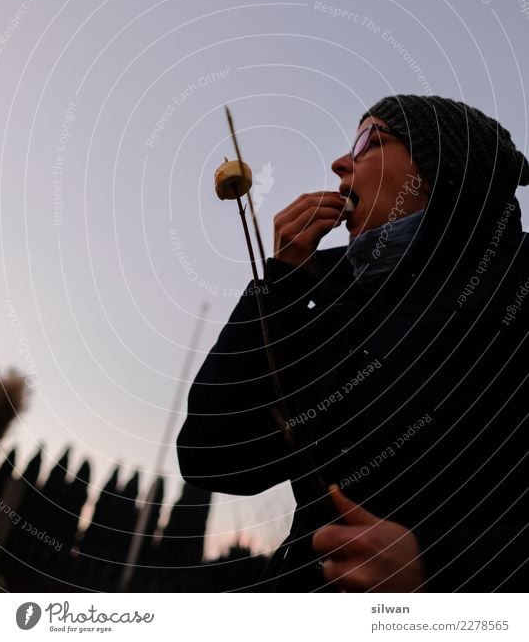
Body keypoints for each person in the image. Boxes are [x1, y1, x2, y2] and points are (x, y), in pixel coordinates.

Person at [177, 94, 529, 592]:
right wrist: (280, 286)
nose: (341, 162)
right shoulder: (335, 299)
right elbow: (215, 455)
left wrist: (440, 568)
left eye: (370, 141)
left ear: (440, 168)